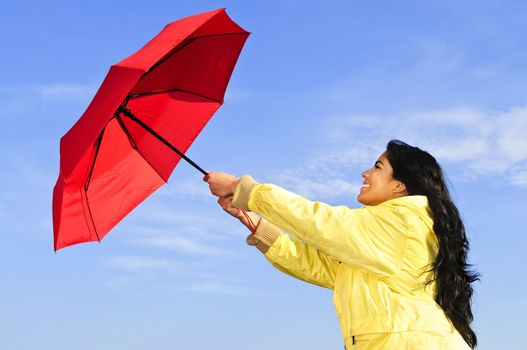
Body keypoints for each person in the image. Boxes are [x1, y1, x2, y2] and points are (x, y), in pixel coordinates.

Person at [204, 139, 479, 349]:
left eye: (378, 167)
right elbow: (317, 265)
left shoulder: (404, 221)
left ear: (399, 186)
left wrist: (244, 188)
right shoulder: (376, 240)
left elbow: (322, 223)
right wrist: (251, 220)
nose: (365, 173)